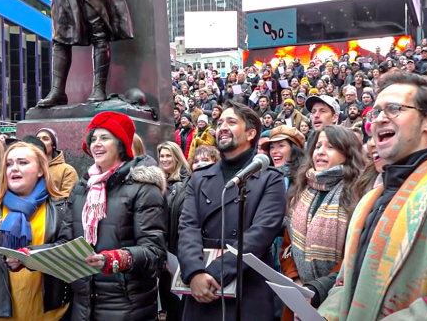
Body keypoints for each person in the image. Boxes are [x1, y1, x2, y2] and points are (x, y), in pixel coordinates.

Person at [318, 72, 427, 320]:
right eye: (376, 111)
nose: (379, 119)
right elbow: (346, 282)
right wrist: (325, 315)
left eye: (393, 109)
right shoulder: (372, 198)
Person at [47, 111, 166, 321]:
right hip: (84, 308)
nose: (96, 144)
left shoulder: (143, 189)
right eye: (93, 139)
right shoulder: (81, 189)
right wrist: (30, 255)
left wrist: (116, 259)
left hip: (127, 308)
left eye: (105, 137)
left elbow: (154, 252)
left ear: (121, 145)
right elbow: (67, 241)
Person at [178, 100, 286, 321]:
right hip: (202, 289)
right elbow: (188, 226)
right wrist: (195, 272)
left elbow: (261, 233)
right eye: (219, 123)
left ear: (251, 134)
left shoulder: (271, 179)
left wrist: (215, 273)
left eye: (231, 122)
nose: (222, 127)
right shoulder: (199, 178)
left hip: (248, 287)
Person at [0, 142, 71, 321]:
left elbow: (69, 251)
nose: (14, 169)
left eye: (22, 163)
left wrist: (30, 256)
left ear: (40, 170)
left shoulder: (61, 208)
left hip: (50, 315)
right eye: (9, 164)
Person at [280, 125, 364, 321]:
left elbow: (353, 256)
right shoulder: (302, 191)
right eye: (317, 146)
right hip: (299, 297)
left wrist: (318, 289)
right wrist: (297, 280)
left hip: (338, 299)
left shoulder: (358, 195)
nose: (320, 152)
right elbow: (288, 244)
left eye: (330, 147)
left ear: (348, 153)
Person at [157, 141, 190, 321]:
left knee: (178, 303)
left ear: (177, 157)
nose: (165, 159)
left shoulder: (185, 181)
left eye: (168, 155)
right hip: (162, 248)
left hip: (176, 249)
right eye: (162, 156)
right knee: (167, 299)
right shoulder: (157, 181)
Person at [35, 128, 79, 197]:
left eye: (45, 139)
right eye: (38, 139)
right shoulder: (29, 168)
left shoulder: (67, 170)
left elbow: (68, 199)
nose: (40, 142)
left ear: (53, 145)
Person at [261, 126, 307, 190]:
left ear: (294, 149)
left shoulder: (305, 178)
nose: (274, 151)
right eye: (272, 147)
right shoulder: (265, 176)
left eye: (281, 146)